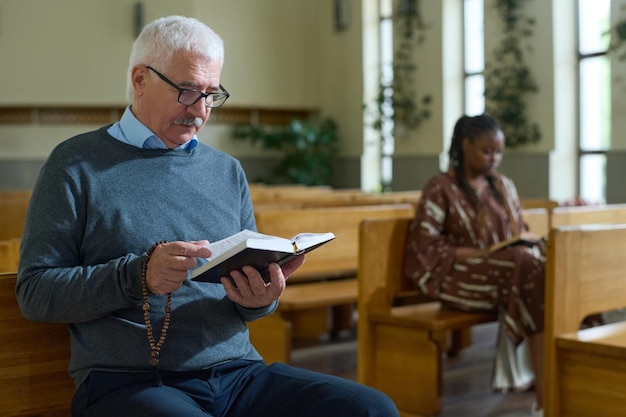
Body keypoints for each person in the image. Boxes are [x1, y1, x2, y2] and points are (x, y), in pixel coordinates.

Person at [16, 15, 399, 417]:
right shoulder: (74, 164)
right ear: (140, 79)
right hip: (128, 381)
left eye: (211, 94)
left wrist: (260, 299)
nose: (200, 110)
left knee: (372, 409)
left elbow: (243, 303)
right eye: (187, 90)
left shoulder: (226, 170)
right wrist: (138, 276)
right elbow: (36, 293)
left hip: (237, 373)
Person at [402, 114, 545, 417]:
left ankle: (564, 385)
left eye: (499, 152)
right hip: (455, 277)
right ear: (465, 145)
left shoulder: (504, 186)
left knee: (547, 263)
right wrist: (486, 254)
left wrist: (519, 244)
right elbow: (428, 250)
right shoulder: (441, 187)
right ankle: (546, 394)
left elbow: (521, 230)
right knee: (525, 265)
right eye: (487, 151)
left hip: (506, 272)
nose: (494, 158)